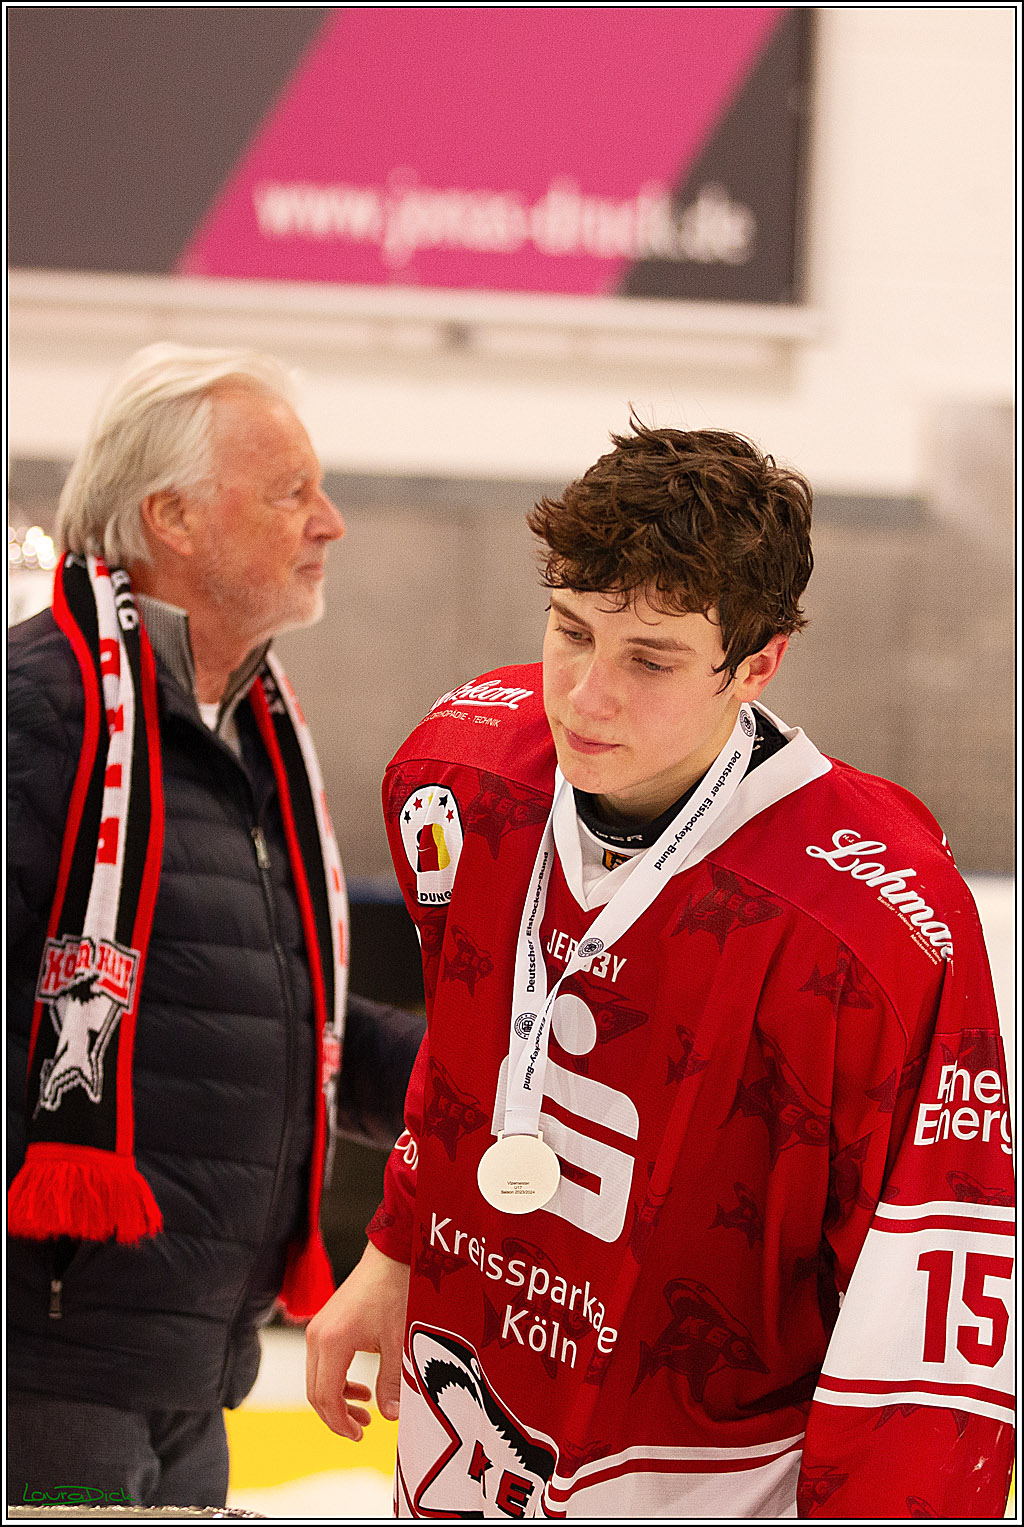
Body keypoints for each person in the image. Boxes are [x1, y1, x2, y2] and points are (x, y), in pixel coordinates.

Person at [306, 421, 1014, 1519]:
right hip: (470, 1407)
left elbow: (928, 1284)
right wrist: (397, 1247)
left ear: (759, 662)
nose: (586, 695)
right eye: (569, 631)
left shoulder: (871, 920)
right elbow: (470, 1047)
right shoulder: (460, 778)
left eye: (650, 659)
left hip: (708, 1474)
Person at [6, 343, 424, 1510]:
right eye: (291, 490)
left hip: (191, 1377)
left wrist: (480, 1088)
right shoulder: (38, 715)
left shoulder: (242, 736)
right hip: (42, 1374)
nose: (329, 521)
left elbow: (286, 1030)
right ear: (172, 517)